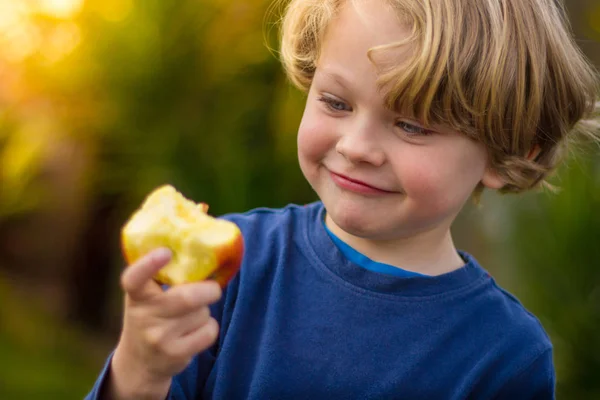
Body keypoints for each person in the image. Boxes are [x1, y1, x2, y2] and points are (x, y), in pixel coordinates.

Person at [86, 0, 599, 398]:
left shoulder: (506, 356)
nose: (355, 147)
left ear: (506, 149)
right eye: (335, 102)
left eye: (412, 125)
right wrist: (136, 372)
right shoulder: (232, 267)